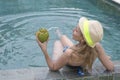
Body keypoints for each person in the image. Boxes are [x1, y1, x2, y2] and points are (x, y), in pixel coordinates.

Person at [36, 17, 114, 72]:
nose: (73, 30)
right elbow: (110, 68)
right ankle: (58, 32)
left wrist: (44, 50)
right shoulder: (96, 46)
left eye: (76, 31)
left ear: (83, 39)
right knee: (63, 37)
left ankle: (58, 33)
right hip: (81, 50)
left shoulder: (69, 53)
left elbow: (53, 67)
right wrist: (103, 57)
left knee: (57, 43)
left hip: (67, 58)